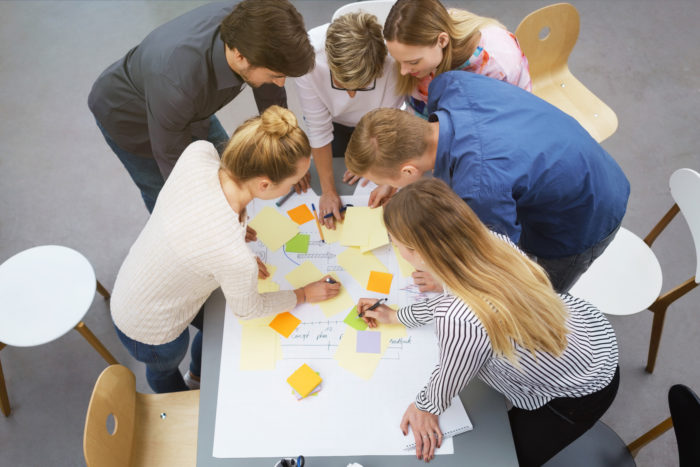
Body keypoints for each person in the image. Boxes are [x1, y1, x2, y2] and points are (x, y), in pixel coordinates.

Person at [358, 178, 619, 465]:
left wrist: (425, 408)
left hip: (579, 391)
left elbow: (451, 373)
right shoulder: (489, 241)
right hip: (591, 336)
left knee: (508, 458)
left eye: (396, 244)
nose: (396, 250)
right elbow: (452, 300)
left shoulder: (459, 319)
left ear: (419, 252)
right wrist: (396, 315)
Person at [110, 106, 340, 393]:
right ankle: (180, 396)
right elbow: (249, 311)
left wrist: (236, 231)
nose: (298, 186)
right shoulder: (233, 255)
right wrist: (303, 293)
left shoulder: (199, 153)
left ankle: (196, 375)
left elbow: (195, 209)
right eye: (294, 183)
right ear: (265, 185)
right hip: (148, 327)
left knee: (215, 328)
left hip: (140, 278)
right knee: (164, 371)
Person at [344, 71, 630, 293]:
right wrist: (391, 179)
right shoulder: (450, 85)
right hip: (580, 159)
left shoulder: (479, 191)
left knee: (539, 295)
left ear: (408, 171)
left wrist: (448, 281)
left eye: (376, 179)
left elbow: (502, 263)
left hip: (587, 217)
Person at [88, 0, 314, 212]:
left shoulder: (255, 25)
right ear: (240, 57)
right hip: (129, 117)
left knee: (232, 170)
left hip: (187, 106)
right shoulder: (177, 83)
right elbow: (177, 173)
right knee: (166, 198)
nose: (281, 83)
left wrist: (289, 160)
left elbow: (270, 85)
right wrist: (221, 222)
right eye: (276, 75)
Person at [293, 12, 404, 229]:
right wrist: (328, 192)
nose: (351, 95)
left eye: (360, 86)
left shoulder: (392, 59)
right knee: (336, 168)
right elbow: (318, 129)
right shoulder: (308, 58)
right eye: (342, 85)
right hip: (333, 120)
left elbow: (387, 122)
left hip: (377, 121)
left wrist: (366, 159)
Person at [383, 0, 531, 119]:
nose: (403, 71)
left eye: (413, 62)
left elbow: (493, 125)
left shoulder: (495, 65)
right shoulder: (431, 29)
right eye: (398, 61)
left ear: (442, 41)